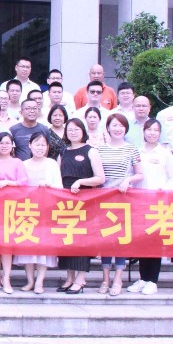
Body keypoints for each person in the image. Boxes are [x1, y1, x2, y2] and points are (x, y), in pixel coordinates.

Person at [127, 118, 173, 296]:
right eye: (149, 129)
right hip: (139, 203)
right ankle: (143, 278)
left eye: (156, 130)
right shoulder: (137, 151)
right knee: (142, 241)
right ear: (144, 131)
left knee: (155, 241)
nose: (152, 133)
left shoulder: (165, 153)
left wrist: (164, 190)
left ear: (160, 133)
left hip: (158, 204)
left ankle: (152, 280)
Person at [96, 113, 144, 296]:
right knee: (106, 239)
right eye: (114, 125)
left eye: (121, 126)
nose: (117, 129)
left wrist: (128, 180)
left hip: (124, 198)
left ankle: (118, 278)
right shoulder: (99, 149)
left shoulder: (132, 149)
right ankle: (105, 278)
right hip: (104, 199)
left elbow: (140, 174)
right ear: (108, 128)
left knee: (120, 239)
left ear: (126, 129)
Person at [58, 118, 106, 294]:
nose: (73, 132)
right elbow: (58, 176)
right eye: (70, 129)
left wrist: (80, 181)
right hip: (65, 201)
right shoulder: (63, 152)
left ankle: (81, 279)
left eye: (76, 129)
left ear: (83, 131)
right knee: (67, 239)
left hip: (85, 201)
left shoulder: (91, 151)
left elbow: (100, 178)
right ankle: (69, 277)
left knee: (82, 240)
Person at [16, 132, 62, 293]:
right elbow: (19, 187)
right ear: (30, 145)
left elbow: (60, 187)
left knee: (44, 248)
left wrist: (49, 185)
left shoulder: (52, 164)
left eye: (43, 145)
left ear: (48, 147)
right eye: (37, 144)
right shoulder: (23, 164)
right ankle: (30, 281)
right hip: (27, 210)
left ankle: (40, 282)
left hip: (46, 211)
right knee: (28, 246)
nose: (40, 148)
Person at [0, 130, 29, 293]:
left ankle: (7, 279)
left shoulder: (17, 162)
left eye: (7, 143)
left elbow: (24, 181)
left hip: (11, 206)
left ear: (12, 145)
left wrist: (8, 183)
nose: (4, 146)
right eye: (1, 143)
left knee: (6, 244)